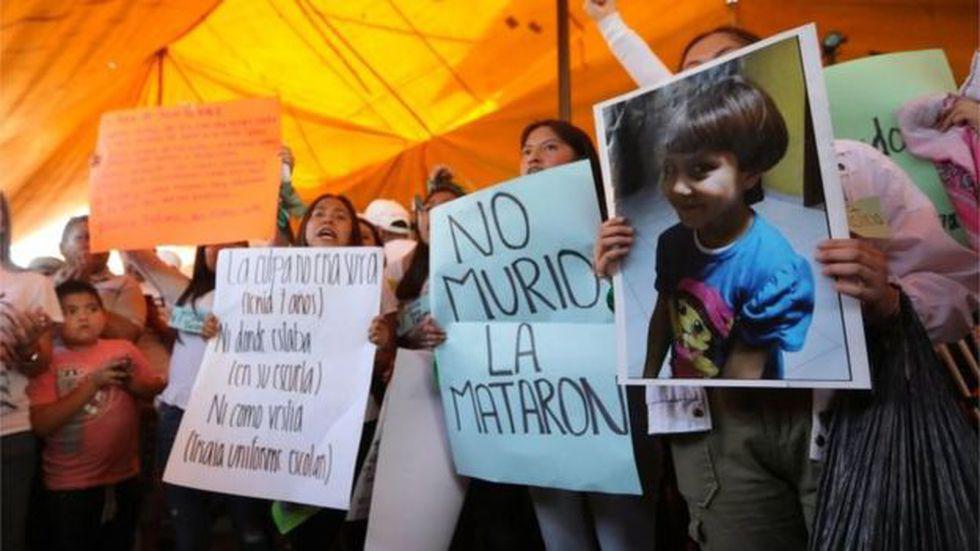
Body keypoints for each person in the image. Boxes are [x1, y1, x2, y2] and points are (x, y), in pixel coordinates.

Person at [586, 1, 978, 548]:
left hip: (848, 421)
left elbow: (958, 291)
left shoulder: (855, 169)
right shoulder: (662, 217)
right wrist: (615, 276)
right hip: (715, 431)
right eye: (687, 75)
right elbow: (656, 316)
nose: (702, 81)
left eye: (724, 64)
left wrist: (889, 301)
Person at [642, 76, 814, 380]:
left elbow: (742, 377)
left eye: (700, 170)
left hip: (738, 414)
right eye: (669, 170)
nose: (678, 188)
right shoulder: (671, 243)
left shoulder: (773, 269)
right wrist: (647, 382)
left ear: (749, 174)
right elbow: (663, 316)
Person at [123, 243, 274, 551]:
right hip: (180, 415)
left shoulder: (267, 295)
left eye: (232, 242)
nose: (221, 248)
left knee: (248, 517)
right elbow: (139, 254)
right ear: (201, 252)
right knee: (186, 516)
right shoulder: (183, 290)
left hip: (238, 419)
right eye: (213, 242)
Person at [27, 280, 165, 551]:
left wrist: (133, 382)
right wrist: (94, 382)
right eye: (71, 311)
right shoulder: (49, 362)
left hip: (123, 476)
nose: (83, 317)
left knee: (120, 541)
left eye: (92, 308)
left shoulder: (123, 349)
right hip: (69, 484)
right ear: (55, 320)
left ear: (104, 315)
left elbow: (150, 390)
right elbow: (42, 424)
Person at [1, 193, 63, 551]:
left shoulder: (33, 285)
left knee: (7, 538)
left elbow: (42, 362)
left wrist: (26, 353)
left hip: (8, 435)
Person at [54, 216, 145, 343]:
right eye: (82, 238)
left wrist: (84, 292)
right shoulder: (46, 285)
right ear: (63, 248)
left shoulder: (125, 284)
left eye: (99, 239)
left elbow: (128, 336)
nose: (92, 244)